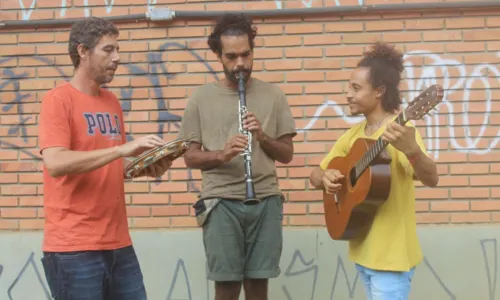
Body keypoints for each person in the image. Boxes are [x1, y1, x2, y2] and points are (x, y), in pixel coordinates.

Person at [38, 16, 172, 300]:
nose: (117, 58)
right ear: (83, 51)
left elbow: (113, 166)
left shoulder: (111, 102)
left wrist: (146, 167)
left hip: (119, 244)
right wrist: (121, 149)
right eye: (108, 50)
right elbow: (56, 163)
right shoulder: (57, 99)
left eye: (117, 49)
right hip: (73, 249)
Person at [179, 12, 297, 300]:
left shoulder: (274, 95)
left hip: (266, 198)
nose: (240, 64)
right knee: (227, 287)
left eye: (246, 54)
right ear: (219, 56)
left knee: (259, 286)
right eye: (231, 57)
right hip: (221, 202)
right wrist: (222, 154)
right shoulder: (200, 98)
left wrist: (262, 137)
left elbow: (287, 155)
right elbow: (190, 158)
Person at [309, 41, 439, 300]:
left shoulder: (400, 131)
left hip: (391, 258)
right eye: (349, 86)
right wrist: (325, 178)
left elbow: (431, 178)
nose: (347, 94)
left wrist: (412, 150)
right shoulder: (353, 136)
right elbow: (315, 174)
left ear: (379, 91)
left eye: (356, 88)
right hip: (362, 252)